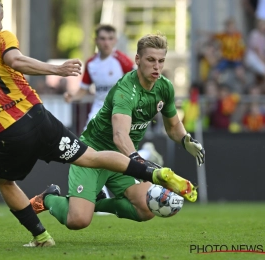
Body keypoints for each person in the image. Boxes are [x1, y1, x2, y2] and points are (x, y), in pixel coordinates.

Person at [0, 0, 197, 247]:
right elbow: (15, 60)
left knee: (4, 180)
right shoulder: (0, 37)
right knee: (90, 157)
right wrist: (56, 69)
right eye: (2, 18)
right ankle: (153, 173)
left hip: (9, 131)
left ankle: (41, 235)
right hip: (39, 116)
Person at [29, 33, 205, 230]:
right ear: (137, 60)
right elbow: (120, 135)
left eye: (161, 61)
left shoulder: (165, 87)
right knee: (78, 221)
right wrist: (139, 163)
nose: (157, 66)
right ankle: (49, 198)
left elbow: (173, 127)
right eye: (150, 60)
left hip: (122, 159)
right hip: (93, 155)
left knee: (147, 209)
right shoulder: (125, 91)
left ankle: (95, 202)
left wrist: (185, 140)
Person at [64, 24, 134, 204]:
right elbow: (84, 90)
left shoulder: (124, 62)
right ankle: (99, 195)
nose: (106, 43)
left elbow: (137, 85)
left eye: (110, 39)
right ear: (96, 40)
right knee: (88, 150)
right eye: (102, 39)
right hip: (97, 113)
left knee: (119, 149)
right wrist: (72, 96)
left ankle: (145, 157)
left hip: (120, 112)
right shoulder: (91, 64)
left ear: (115, 41)